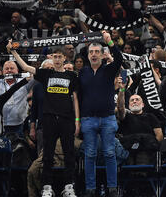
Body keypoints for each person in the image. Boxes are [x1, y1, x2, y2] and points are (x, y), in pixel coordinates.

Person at [9, 42, 80, 197]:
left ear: (64, 59)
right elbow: (26, 67)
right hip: (48, 119)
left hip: (67, 119)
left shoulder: (71, 75)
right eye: (54, 56)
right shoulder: (46, 74)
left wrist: (77, 120)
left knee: (69, 153)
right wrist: (14, 53)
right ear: (52, 58)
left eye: (59, 57)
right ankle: (47, 187)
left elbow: (75, 98)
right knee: (47, 154)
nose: (57, 59)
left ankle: (69, 187)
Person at [78, 31, 123, 197]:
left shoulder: (109, 70)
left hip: (108, 118)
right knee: (90, 154)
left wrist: (110, 42)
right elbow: (79, 96)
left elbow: (119, 60)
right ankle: (90, 189)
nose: (94, 54)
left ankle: (112, 188)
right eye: (91, 52)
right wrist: (78, 119)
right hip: (88, 119)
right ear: (88, 55)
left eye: (97, 52)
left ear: (103, 55)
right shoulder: (82, 72)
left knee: (110, 153)